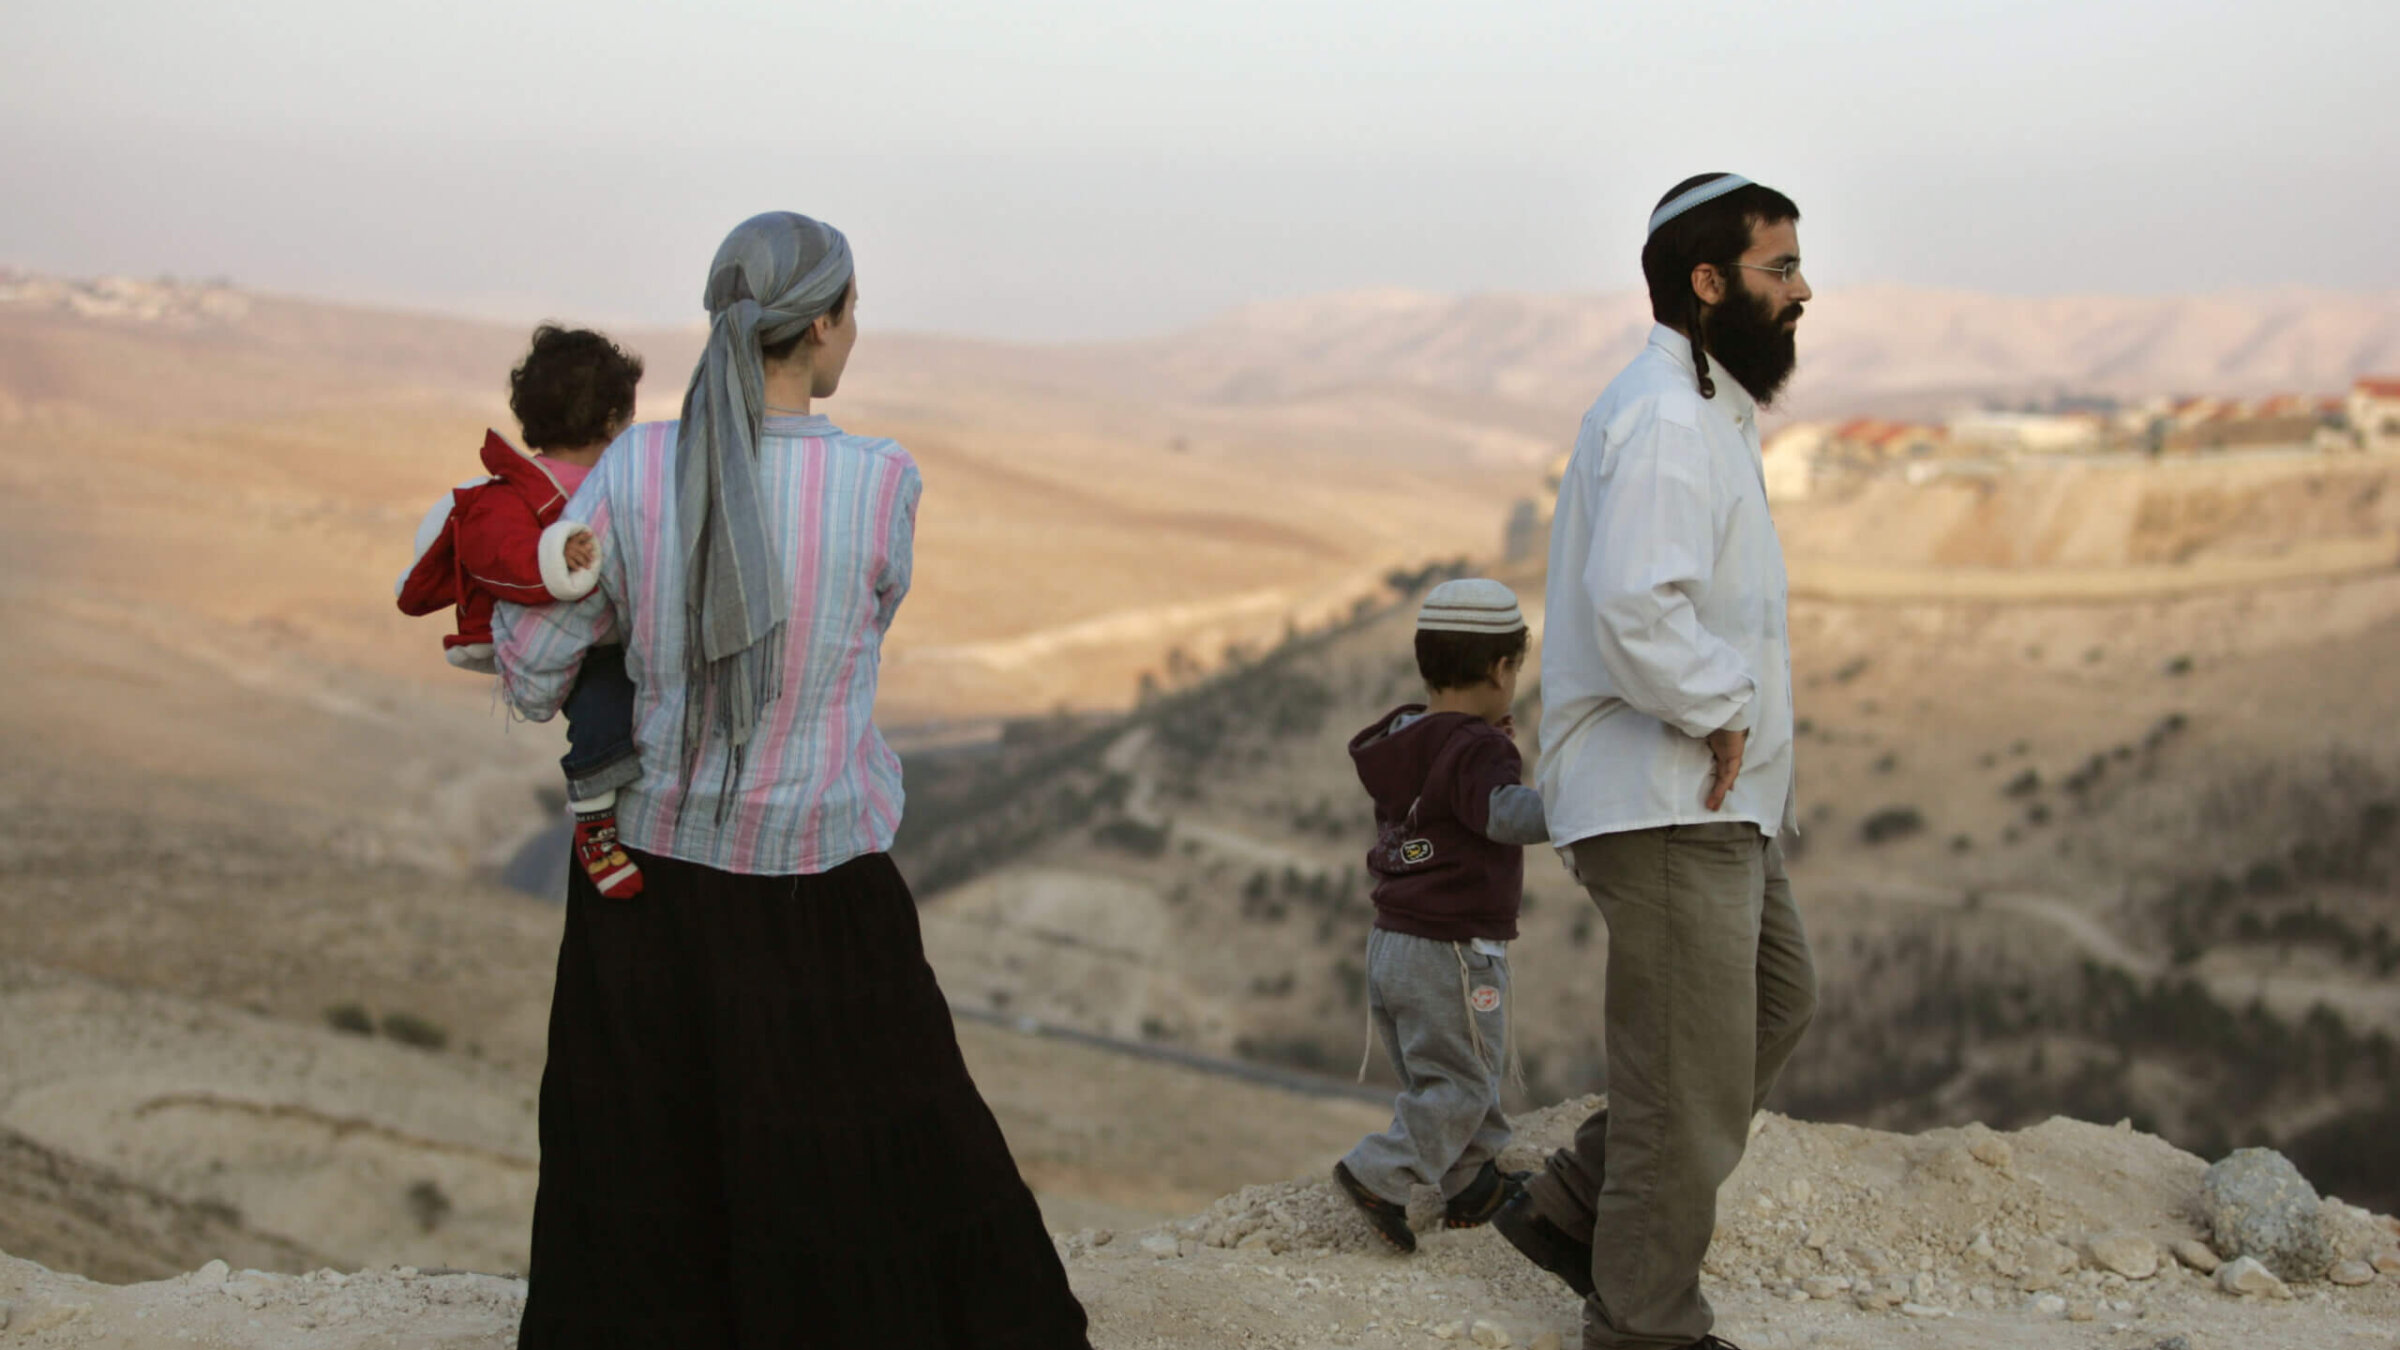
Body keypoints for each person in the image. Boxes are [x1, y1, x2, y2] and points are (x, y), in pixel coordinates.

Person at [492, 212, 1091, 1349]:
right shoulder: (882, 483)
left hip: (651, 880)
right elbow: (862, 627)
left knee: (646, 1169)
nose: (852, 332)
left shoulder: (632, 468)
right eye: (852, 312)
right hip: (820, 881)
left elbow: (533, 674)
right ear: (821, 326)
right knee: (866, 1158)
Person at [1500, 174, 1819, 1350]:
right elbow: (1636, 605)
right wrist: (1726, 704)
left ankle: (1583, 1204)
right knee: (1686, 1084)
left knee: (1780, 1000)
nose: (1800, 292)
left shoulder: (1706, 408)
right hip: (1668, 791)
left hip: (1714, 800)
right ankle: (1645, 1322)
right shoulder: (1671, 420)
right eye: (1778, 270)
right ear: (1706, 282)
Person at [1333, 578, 1548, 1252]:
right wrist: (1577, 804)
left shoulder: (1409, 738)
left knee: (1450, 1069)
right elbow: (1501, 815)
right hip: (1453, 949)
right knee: (1463, 1076)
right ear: (1500, 668)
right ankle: (1379, 1173)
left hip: (1393, 942)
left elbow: (1439, 821)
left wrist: (1483, 746)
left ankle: (1473, 1184)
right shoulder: (1479, 750)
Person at [396, 325, 647, 898]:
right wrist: (557, 553)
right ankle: (594, 823)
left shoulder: (620, 483)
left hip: (626, 635)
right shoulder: (512, 492)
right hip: (589, 653)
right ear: (611, 419)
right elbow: (499, 555)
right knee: (604, 718)